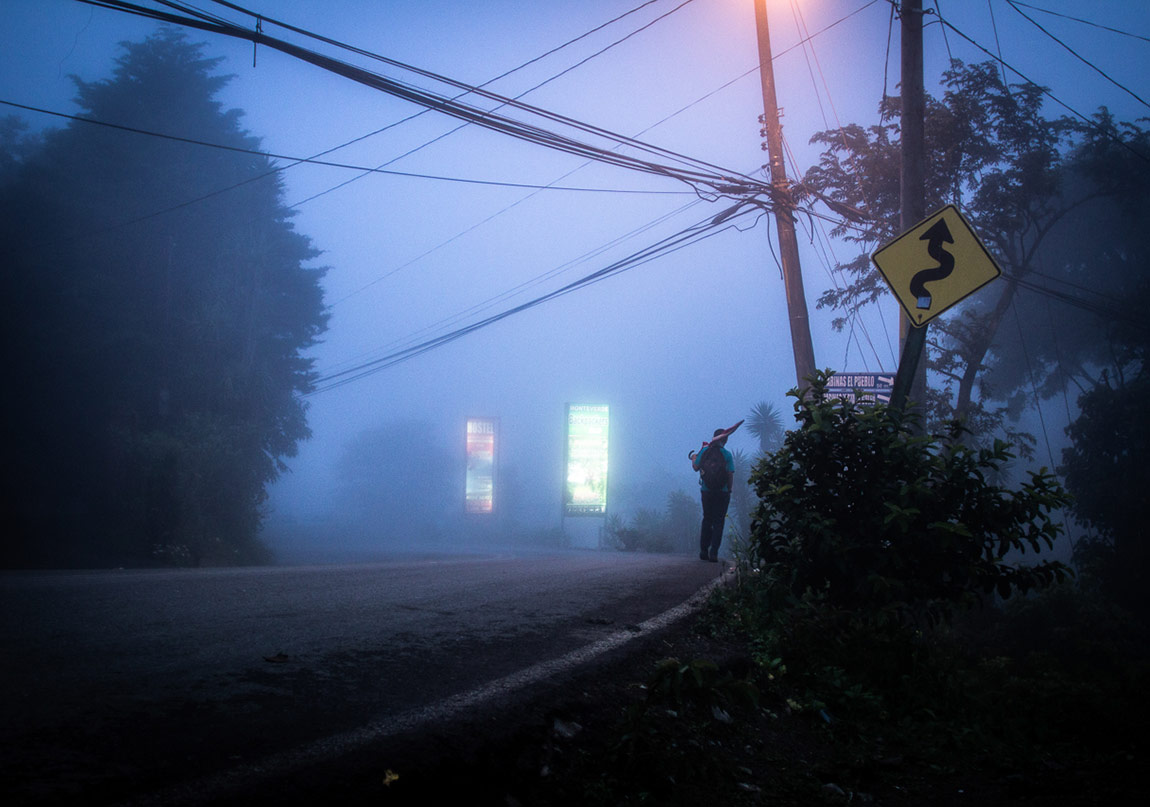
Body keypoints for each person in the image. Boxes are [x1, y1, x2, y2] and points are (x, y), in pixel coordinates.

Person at [691, 428, 735, 562]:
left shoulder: (705, 451)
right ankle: (714, 552)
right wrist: (729, 490)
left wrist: (693, 458)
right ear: (725, 440)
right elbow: (730, 474)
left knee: (707, 519)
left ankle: (703, 550)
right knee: (719, 521)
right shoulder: (726, 454)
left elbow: (696, 467)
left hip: (707, 491)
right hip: (722, 492)